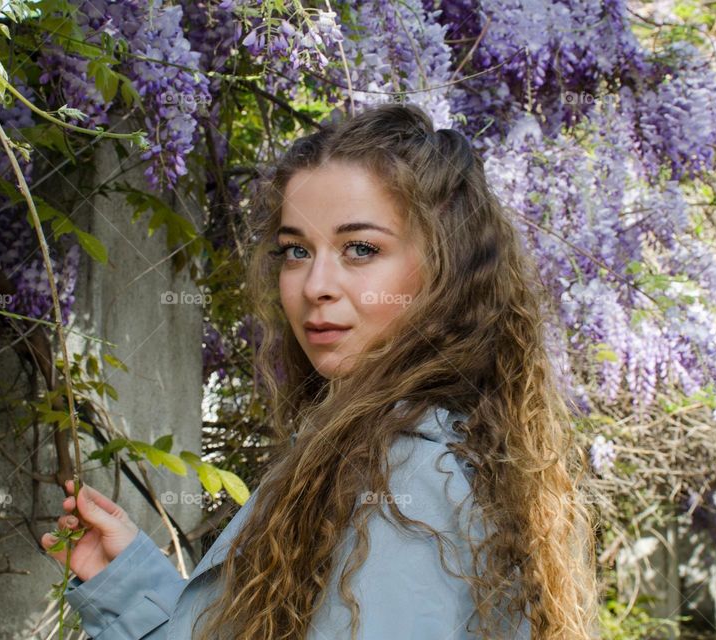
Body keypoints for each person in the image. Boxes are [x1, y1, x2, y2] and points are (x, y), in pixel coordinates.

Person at [42, 102, 598, 639]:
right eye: (296, 251)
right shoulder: (389, 452)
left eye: (359, 248)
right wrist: (129, 587)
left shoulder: (407, 483)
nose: (315, 287)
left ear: (445, 270)